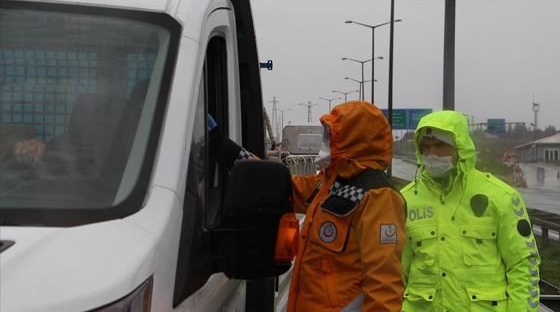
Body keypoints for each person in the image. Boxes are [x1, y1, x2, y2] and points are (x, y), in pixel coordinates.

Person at [210, 101, 406, 312]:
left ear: (353, 140)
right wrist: (226, 150)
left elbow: (384, 284)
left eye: (330, 135)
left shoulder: (378, 196)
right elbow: (280, 185)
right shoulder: (328, 183)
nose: (325, 142)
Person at [400, 110, 540, 311]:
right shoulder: (405, 200)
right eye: (425, 147)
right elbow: (396, 273)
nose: (432, 154)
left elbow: (524, 265)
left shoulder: (500, 197)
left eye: (441, 145)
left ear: (460, 147)